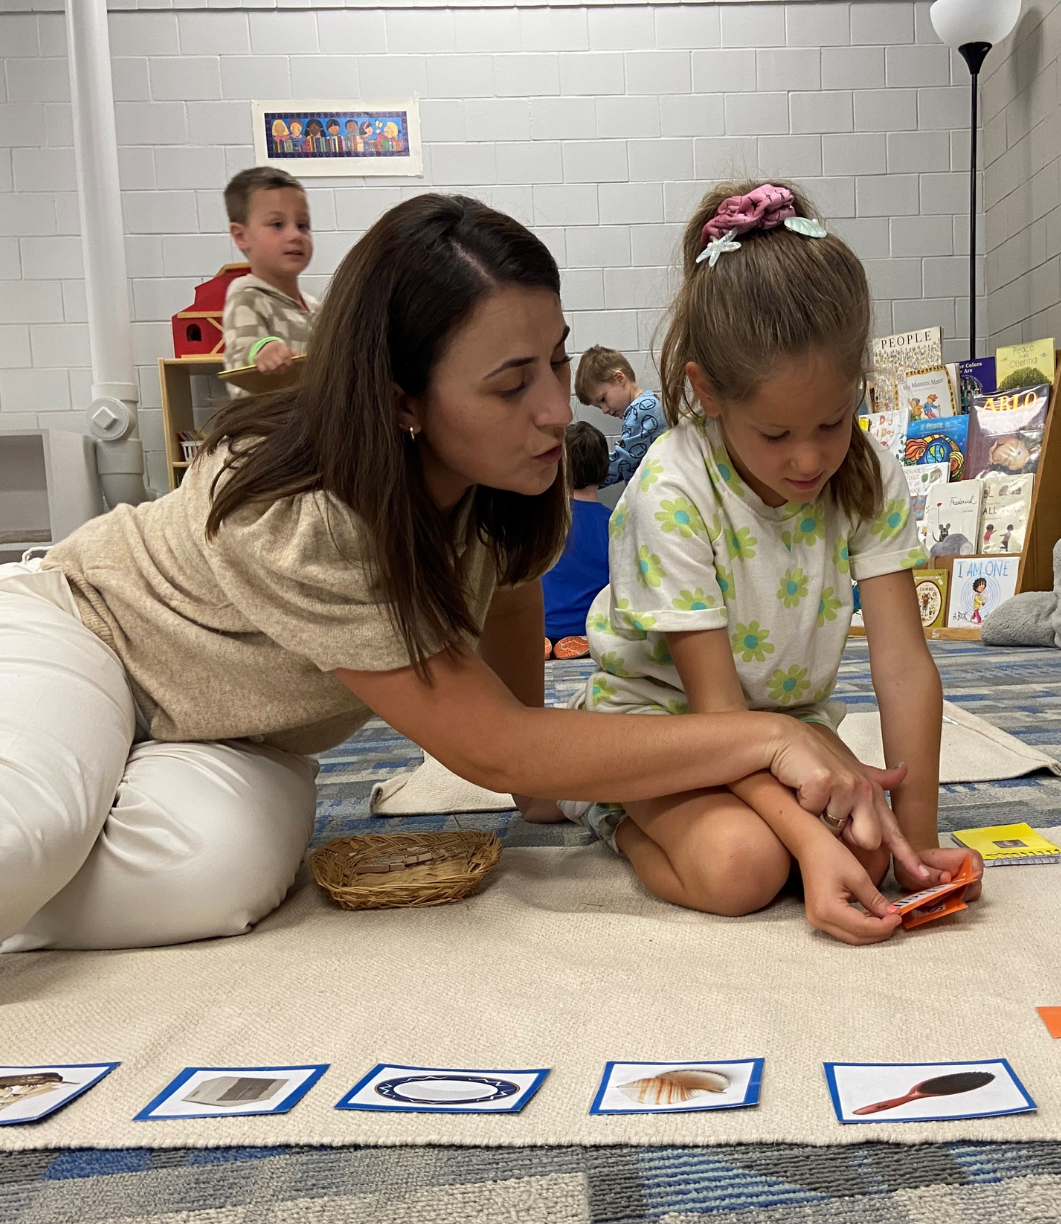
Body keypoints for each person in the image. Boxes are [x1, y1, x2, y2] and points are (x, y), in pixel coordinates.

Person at [0, 194, 922, 954]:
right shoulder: (312, 516)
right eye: (511, 382)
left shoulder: (509, 484)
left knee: (219, 883)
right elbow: (490, 744)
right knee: (27, 837)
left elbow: (514, 608)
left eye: (558, 359)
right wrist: (766, 739)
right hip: (84, 635)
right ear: (404, 397)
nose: (558, 409)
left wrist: (537, 791)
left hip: (227, 734)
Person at [566, 181, 982, 944]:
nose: (810, 457)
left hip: (787, 729)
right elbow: (719, 715)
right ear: (707, 392)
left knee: (872, 850)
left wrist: (918, 836)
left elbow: (902, 663)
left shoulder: (867, 473)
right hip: (664, 726)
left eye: (832, 420)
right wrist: (807, 844)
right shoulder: (671, 488)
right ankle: (608, 809)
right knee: (741, 869)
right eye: (776, 432)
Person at [221, 167, 320, 395]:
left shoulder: (315, 308)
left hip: (305, 419)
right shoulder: (246, 294)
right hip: (262, 423)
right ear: (241, 236)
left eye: (303, 225)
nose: (295, 235)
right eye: (277, 225)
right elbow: (241, 349)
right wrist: (262, 348)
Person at [541, 422, 612, 660]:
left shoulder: (544, 522)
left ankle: (547, 642)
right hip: (588, 630)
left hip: (543, 626)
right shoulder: (614, 524)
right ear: (605, 468)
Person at [574, 347, 667, 487]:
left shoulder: (642, 410)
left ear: (619, 378)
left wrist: (581, 477)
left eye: (603, 399)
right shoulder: (649, 403)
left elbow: (622, 462)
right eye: (599, 407)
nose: (604, 410)